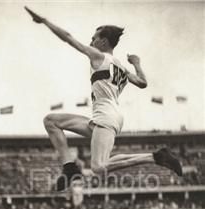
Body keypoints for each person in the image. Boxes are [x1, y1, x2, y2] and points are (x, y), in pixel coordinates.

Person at [25, 7, 182, 191]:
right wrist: (137, 63)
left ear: (103, 41)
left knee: (98, 168)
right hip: (105, 116)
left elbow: (68, 38)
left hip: (106, 116)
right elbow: (142, 82)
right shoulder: (122, 68)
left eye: (94, 38)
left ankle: (154, 157)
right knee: (51, 121)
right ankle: (69, 167)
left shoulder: (99, 57)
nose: (90, 41)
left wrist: (44, 21)